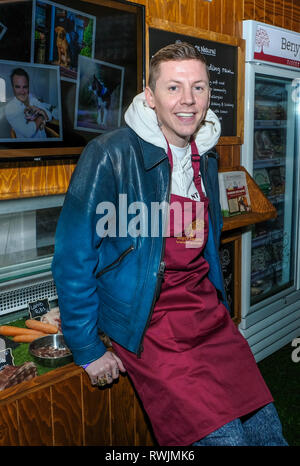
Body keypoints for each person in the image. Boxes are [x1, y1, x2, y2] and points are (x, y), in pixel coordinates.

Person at [52, 42, 288, 447]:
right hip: (151, 325)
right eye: (173, 88)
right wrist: (87, 348)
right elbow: (73, 258)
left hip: (207, 319)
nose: (188, 101)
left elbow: (205, 248)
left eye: (198, 88)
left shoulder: (206, 158)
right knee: (226, 440)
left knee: (268, 431)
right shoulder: (110, 155)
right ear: (149, 95)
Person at [5, 67, 52, 139]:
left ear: (28, 86)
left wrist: (42, 112)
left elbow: (49, 116)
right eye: (18, 87)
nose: (22, 91)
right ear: (12, 87)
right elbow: (29, 132)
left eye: (25, 87)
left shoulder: (32, 98)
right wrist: (41, 116)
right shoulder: (10, 108)